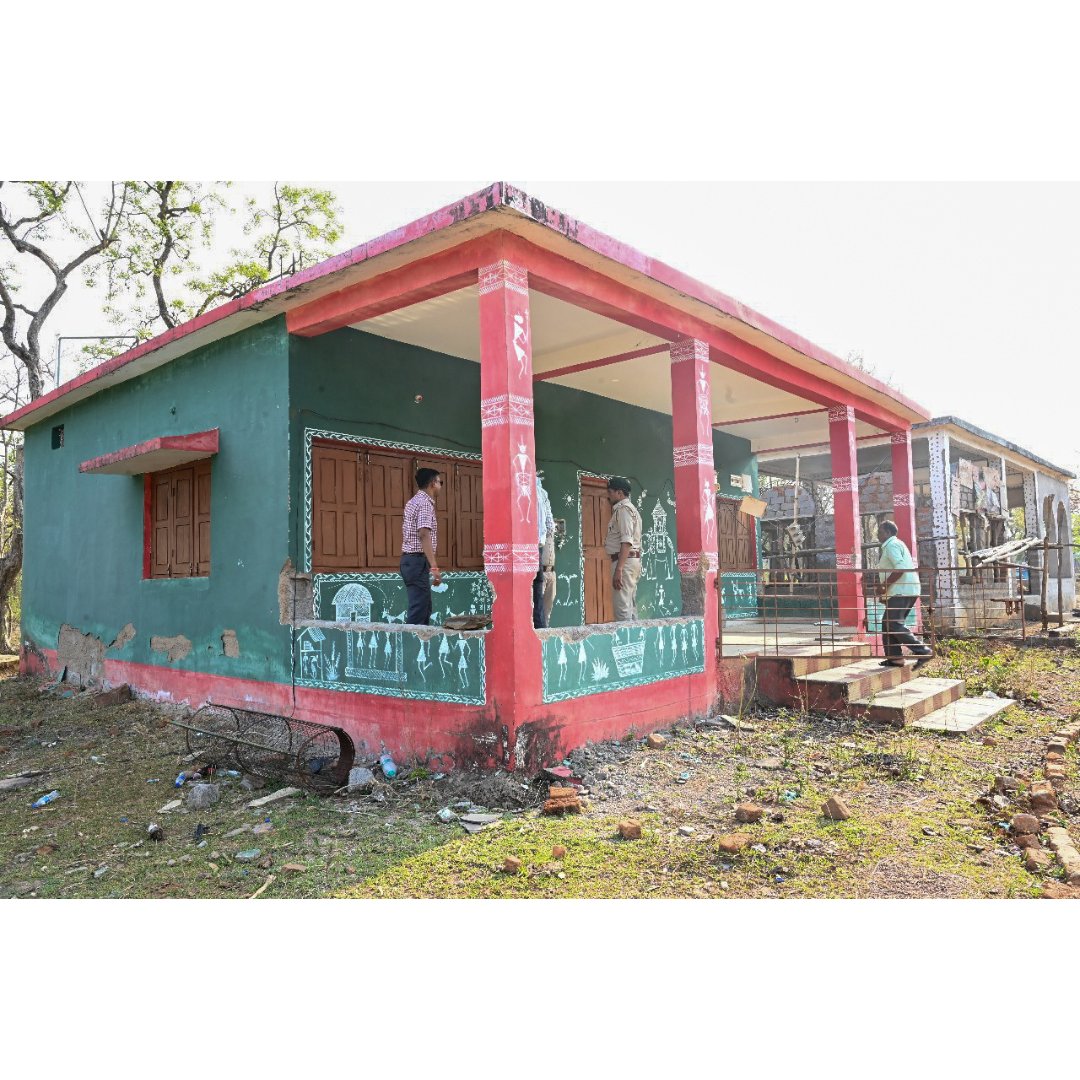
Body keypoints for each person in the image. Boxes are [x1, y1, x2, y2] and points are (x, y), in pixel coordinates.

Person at [875, 519, 932, 667]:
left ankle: (923, 651)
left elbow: (900, 568)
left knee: (893, 623)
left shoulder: (892, 545)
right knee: (888, 624)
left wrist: (883, 587)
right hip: (904, 590)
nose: (877, 535)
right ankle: (895, 658)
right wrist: (886, 594)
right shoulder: (896, 544)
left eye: (880, 532)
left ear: (888, 532)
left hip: (902, 591)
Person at [400, 468, 443, 625]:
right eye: (440, 482)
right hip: (417, 561)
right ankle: (411, 640)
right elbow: (424, 534)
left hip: (410, 561)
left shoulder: (413, 501)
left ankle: (419, 639)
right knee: (419, 611)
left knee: (423, 607)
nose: (440, 486)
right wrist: (434, 567)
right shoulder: (425, 504)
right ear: (432, 483)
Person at [605, 476, 643, 621]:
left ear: (619, 493)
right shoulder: (632, 510)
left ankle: (626, 635)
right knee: (630, 607)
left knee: (622, 610)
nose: (608, 496)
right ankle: (635, 635)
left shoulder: (623, 510)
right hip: (630, 560)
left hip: (624, 562)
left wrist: (619, 569)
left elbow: (626, 541)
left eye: (610, 492)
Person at [532, 472, 555, 628]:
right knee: (537, 597)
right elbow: (549, 524)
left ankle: (541, 630)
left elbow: (549, 525)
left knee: (542, 607)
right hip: (536, 550)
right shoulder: (540, 494)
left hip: (549, 569)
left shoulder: (541, 494)